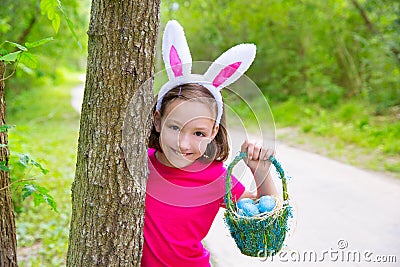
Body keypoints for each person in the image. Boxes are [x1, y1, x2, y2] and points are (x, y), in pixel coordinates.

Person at [141, 20, 278, 267]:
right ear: (158, 121)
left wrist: (261, 172)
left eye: (199, 134)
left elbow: (264, 218)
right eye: (174, 127)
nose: (183, 143)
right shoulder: (142, 162)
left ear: (214, 132)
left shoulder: (215, 178)